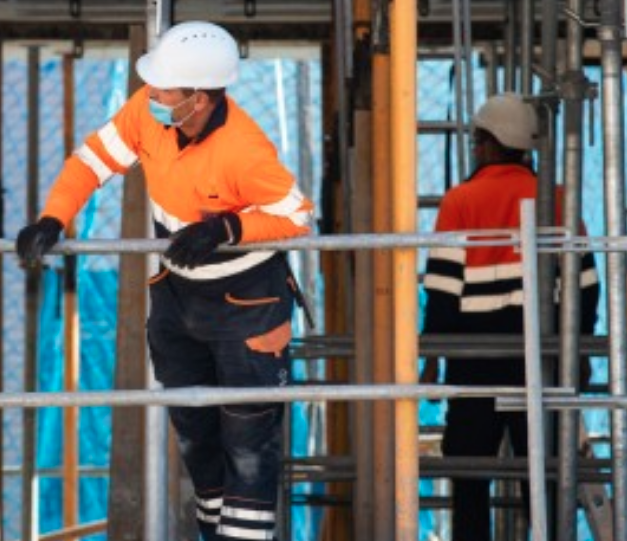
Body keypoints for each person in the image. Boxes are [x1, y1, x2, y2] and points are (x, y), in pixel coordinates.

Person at [16, 21, 314, 541]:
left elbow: (295, 216)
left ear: (198, 99)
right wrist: (53, 219)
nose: (152, 96)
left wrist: (228, 227)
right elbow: (91, 161)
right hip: (178, 296)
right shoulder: (147, 113)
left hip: (248, 303)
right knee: (196, 435)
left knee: (247, 441)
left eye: (164, 91)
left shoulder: (245, 149)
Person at [421, 92, 599, 541]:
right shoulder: (559, 200)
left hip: (474, 357)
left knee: (469, 472)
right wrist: (579, 347)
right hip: (542, 357)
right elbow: (587, 287)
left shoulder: (460, 201)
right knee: (543, 472)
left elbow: (442, 290)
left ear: (487, 142)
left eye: (478, 140)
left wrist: (433, 356)